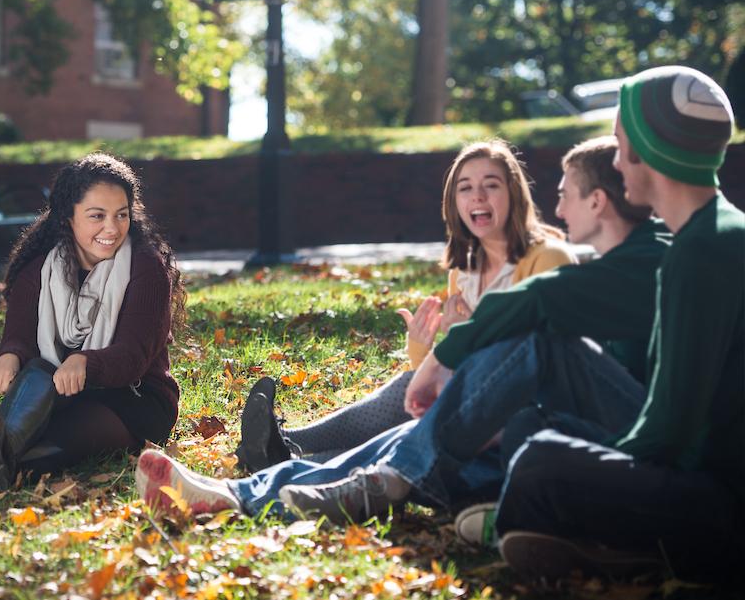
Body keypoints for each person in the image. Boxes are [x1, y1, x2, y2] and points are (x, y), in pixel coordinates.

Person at [135, 137, 666, 521]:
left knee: (430, 432)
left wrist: (440, 357)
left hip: (557, 424)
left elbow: (527, 323)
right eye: (466, 188)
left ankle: (292, 474)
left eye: (566, 192)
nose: (557, 205)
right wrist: (426, 355)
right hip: (510, 407)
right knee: (413, 435)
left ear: (596, 201)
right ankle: (244, 489)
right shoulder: (481, 266)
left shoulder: (576, 262)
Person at [493, 66, 743, 582]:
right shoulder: (716, 232)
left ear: (647, 153)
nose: (615, 157)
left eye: (619, 141)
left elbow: (668, 432)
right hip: (703, 476)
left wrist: (598, 474)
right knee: (530, 433)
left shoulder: (699, 253)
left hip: (720, 505)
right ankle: (570, 525)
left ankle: (614, 539)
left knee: (540, 463)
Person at [235, 139, 573, 473]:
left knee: (408, 418)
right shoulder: (464, 269)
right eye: (465, 188)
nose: (478, 197)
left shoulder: (547, 259)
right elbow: (452, 375)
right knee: (408, 393)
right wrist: (420, 350)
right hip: (472, 401)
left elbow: (534, 357)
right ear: (454, 203)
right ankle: (287, 454)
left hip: (524, 412)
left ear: (514, 193)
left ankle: (284, 455)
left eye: (491, 185)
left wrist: (461, 336)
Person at [0, 153, 183, 494]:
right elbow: (19, 337)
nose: (112, 228)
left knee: (64, 432)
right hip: (52, 392)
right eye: (97, 216)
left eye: (121, 215)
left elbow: (133, 356)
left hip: (133, 399)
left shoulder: (146, 268)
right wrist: (9, 356)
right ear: (68, 217)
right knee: (37, 372)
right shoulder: (38, 269)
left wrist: (85, 361)